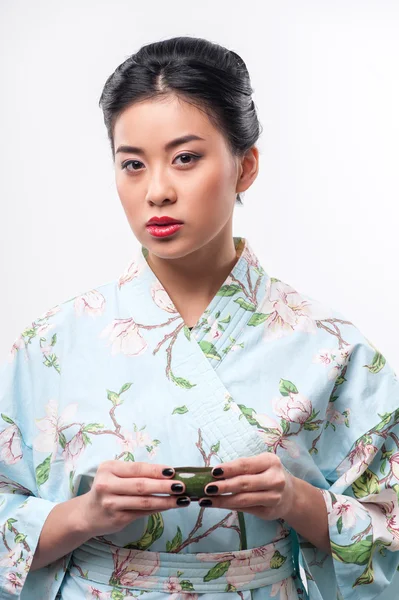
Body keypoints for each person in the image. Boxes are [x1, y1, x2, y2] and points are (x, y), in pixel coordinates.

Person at [0, 35, 398, 600]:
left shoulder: (329, 346)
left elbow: (390, 525)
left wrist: (294, 500)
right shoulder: (54, 343)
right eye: (132, 164)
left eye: (186, 158)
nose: (157, 191)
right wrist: (83, 515)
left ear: (245, 166)